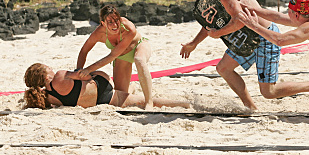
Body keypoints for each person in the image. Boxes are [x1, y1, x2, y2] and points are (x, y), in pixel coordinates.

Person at [180, 0, 309, 111]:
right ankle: (250, 107)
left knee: (269, 92)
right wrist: (194, 43)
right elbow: (210, 23)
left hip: (265, 37)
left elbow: (240, 21)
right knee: (223, 69)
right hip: (247, 39)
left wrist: (217, 33)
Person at [76, 5, 154, 109]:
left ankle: (149, 102)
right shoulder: (99, 33)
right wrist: (78, 71)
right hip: (122, 57)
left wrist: (88, 69)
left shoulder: (129, 28)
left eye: (117, 20)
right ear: (103, 23)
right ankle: (132, 88)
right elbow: (84, 51)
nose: (115, 24)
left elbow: (112, 56)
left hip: (139, 46)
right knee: (121, 96)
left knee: (139, 60)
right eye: (110, 22)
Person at [24, 63, 190, 110]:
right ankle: (184, 105)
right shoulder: (60, 75)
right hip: (101, 87)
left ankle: (130, 88)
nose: (52, 68)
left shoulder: (48, 97)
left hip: (101, 101)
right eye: (48, 68)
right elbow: (86, 75)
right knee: (146, 100)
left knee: (131, 98)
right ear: (46, 76)